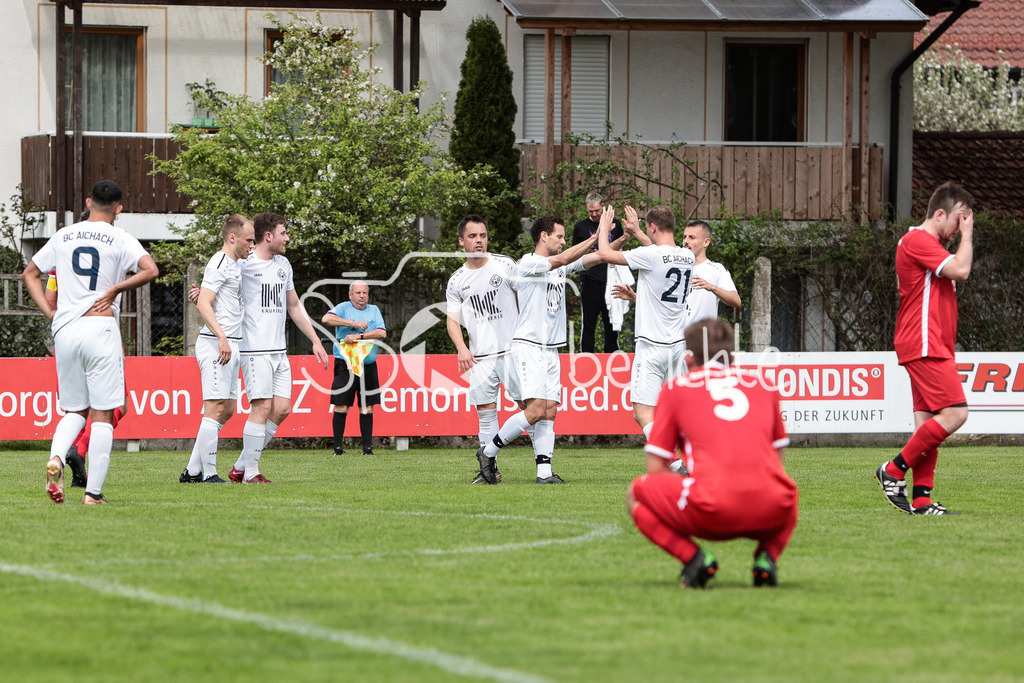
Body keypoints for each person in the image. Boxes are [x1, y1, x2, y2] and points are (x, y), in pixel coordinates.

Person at [628, 319, 799, 588]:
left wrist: (687, 488)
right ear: (732, 359)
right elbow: (778, 460)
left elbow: (656, 466)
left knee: (636, 494)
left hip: (711, 510)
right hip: (769, 508)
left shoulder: (676, 388)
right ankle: (766, 558)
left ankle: (695, 558)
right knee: (786, 491)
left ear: (688, 359)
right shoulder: (764, 385)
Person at [23, 179, 159, 505]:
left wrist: (51, 315)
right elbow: (151, 270)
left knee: (74, 410)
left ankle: (56, 458)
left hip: (66, 329)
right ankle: (93, 494)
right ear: (119, 209)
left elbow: (30, 273)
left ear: (88, 201)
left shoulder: (64, 235)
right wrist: (115, 290)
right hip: (100, 329)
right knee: (103, 413)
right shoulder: (120, 236)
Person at [475, 215, 608, 484]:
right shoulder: (529, 262)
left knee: (550, 411)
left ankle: (544, 473)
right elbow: (561, 260)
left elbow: (594, 259)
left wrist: (621, 238)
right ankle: (488, 451)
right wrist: (594, 238)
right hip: (528, 347)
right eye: (559, 236)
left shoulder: (557, 265)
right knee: (535, 411)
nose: (562, 241)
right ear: (543, 236)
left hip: (550, 348)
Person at [875, 182, 975, 516]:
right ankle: (892, 470)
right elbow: (961, 271)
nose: (959, 228)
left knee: (928, 424)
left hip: (929, 342)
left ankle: (921, 500)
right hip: (924, 342)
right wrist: (968, 236)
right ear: (941, 213)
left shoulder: (928, 245)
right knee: (956, 413)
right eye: (958, 220)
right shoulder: (919, 240)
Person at [227, 212, 330, 483]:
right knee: (261, 408)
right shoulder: (243, 264)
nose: (287, 238)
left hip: (278, 351)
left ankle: (240, 466)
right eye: (283, 233)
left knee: (281, 409)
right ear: (269, 236)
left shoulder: (283, 264)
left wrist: (316, 340)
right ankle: (251, 473)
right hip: (253, 349)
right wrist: (200, 296)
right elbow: (221, 289)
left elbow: (294, 305)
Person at [445, 215, 534, 484]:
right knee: (486, 414)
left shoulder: (505, 264)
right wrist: (461, 348)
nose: (479, 241)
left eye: (483, 235)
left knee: (531, 408)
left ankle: (544, 467)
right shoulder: (457, 280)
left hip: (511, 351)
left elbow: (527, 297)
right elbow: (452, 319)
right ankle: (489, 471)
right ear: (462, 241)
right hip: (479, 356)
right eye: (473, 236)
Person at [597, 205, 695, 439]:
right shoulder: (687, 256)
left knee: (642, 412)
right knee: (678, 411)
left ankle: (671, 459)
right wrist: (638, 231)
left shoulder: (651, 255)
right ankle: (698, 458)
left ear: (652, 227)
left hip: (652, 346)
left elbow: (604, 254)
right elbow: (661, 255)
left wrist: (603, 228)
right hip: (678, 346)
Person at [179, 214, 255, 484]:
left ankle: (191, 470)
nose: (252, 245)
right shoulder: (220, 262)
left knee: (229, 409)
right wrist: (221, 336)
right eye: (248, 240)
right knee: (215, 407)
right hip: (216, 344)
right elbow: (203, 304)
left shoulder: (236, 264)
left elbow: (211, 298)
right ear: (232, 238)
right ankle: (208, 474)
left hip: (231, 343)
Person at [321, 281, 386, 456]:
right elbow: (326, 319)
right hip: (346, 365)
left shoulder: (374, 310)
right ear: (350, 295)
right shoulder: (342, 308)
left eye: (365, 292)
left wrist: (360, 335)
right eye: (358, 293)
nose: (362, 296)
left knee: (367, 408)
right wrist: (353, 323)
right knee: (341, 406)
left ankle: (367, 449)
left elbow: (382, 332)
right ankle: (338, 449)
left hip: (368, 365)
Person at [572, 192, 624, 353]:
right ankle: (585, 357)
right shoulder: (580, 227)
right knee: (589, 322)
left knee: (611, 322)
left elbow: (621, 246)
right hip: (590, 278)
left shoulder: (614, 224)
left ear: (603, 207)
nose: (594, 214)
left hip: (610, 278)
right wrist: (591, 252)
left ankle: (612, 357)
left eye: (597, 211)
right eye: (590, 211)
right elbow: (575, 253)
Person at [680, 220, 741, 325]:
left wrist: (712, 288)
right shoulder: (675, 266)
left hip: (701, 337)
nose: (686, 241)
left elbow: (736, 301)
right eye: (684, 237)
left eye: (692, 237)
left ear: (706, 242)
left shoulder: (716, 269)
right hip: (674, 338)